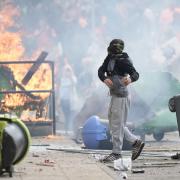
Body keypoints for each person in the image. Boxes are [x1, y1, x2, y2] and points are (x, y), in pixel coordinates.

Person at [98, 39, 144, 162]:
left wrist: (130, 79)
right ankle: (136, 141)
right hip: (114, 95)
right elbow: (101, 70)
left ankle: (117, 153)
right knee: (114, 124)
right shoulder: (110, 58)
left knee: (117, 124)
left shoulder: (123, 61)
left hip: (122, 96)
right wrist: (104, 78)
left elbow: (135, 73)